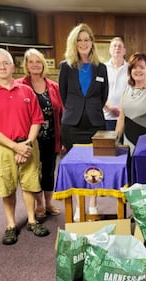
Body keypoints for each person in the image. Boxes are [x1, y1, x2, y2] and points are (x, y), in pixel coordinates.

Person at [0, 48, 50, 245]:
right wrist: (14, 147)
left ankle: (32, 220)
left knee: (30, 184)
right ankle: (10, 225)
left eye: (6, 63)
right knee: (7, 186)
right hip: (2, 147)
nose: (2, 67)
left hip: (28, 142)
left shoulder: (26, 90)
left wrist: (25, 145)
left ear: (13, 66)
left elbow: (37, 120)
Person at [59, 23, 108, 220]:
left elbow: (104, 96)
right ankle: (80, 204)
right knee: (77, 165)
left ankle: (93, 204)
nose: (83, 43)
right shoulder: (66, 67)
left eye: (87, 39)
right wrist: (76, 109)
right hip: (72, 124)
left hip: (95, 124)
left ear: (92, 43)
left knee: (94, 165)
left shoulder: (101, 68)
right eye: (79, 40)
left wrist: (91, 109)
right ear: (74, 43)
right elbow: (63, 95)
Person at [17, 48, 63, 219]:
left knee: (50, 171)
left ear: (43, 64)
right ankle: (39, 204)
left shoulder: (54, 86)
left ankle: (49, 202)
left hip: (52, 136)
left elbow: (60, 113)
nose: (35, 65)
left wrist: (62, 139)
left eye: (38, 61)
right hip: (32, 139)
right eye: (31, 62)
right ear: (26, 66)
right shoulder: (20, 86)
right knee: (35, 172)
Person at [115, 52, 146, 155]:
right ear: (130, 71)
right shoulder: (126, 90)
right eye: (134, 67)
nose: (138, 70)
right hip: (127, 143)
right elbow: (121, 119)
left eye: (142, 67)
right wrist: (115, 141)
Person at [103, 36, 128, 131]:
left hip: (126, 116)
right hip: (107, 116)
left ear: (124, 51)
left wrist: (124, 110)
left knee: (124, 145)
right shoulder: (102, 68)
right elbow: (98, 92)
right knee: (109, 145)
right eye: (114, 46)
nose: (117, 48)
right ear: (110, 50)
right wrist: (109, 107)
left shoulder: (130, 69)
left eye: (120, 46)